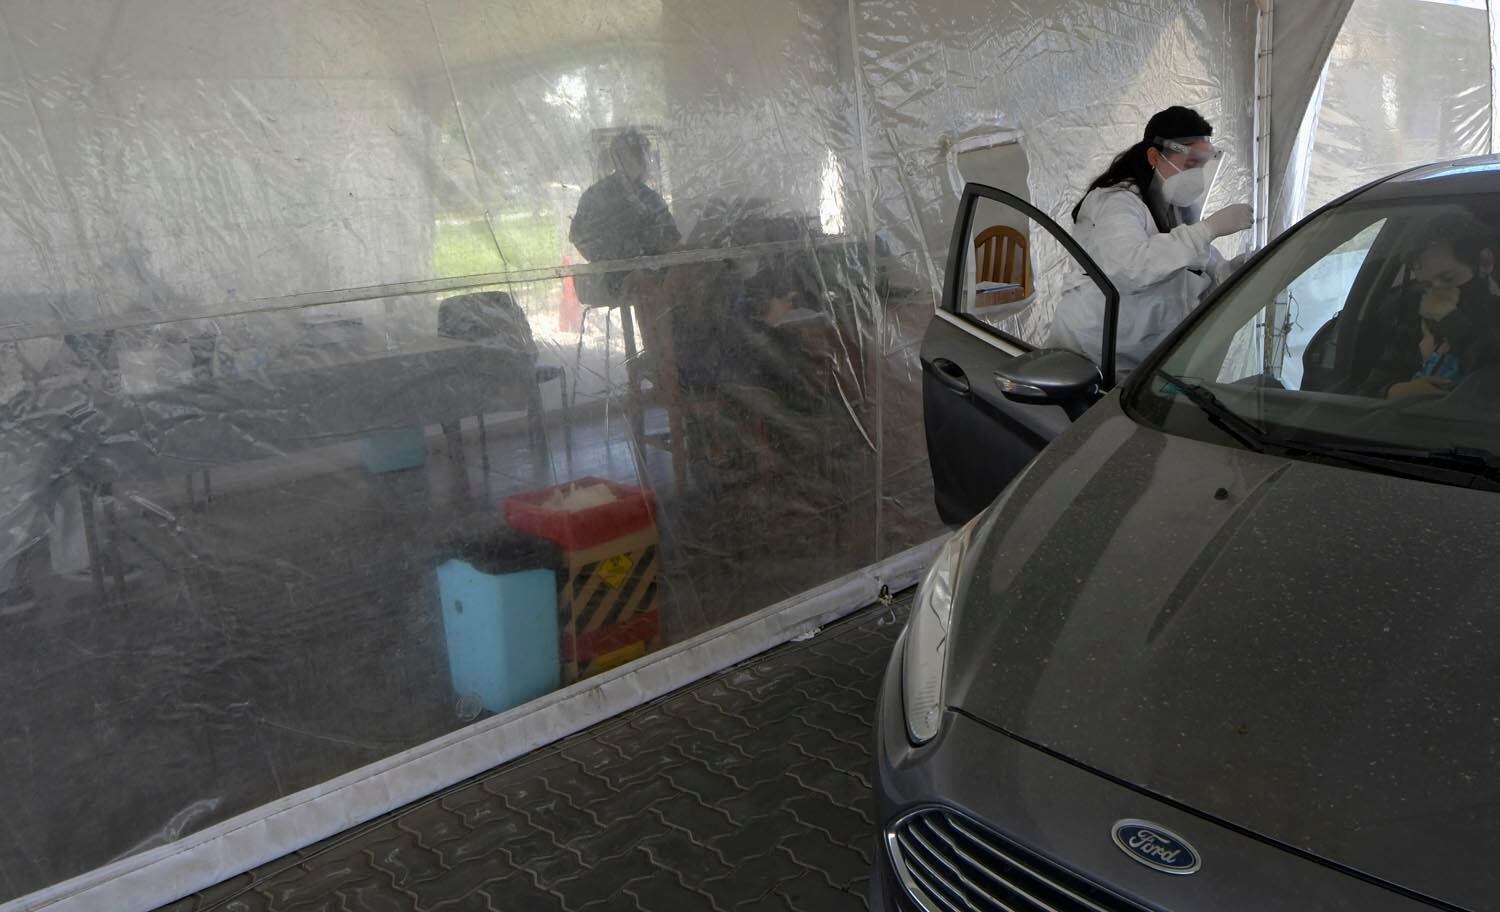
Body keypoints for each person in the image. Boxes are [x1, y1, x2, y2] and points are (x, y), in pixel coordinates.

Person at [1049, 106, 1254, 377]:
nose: (1197, 174)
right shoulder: (1117, 202)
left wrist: (1222, 270)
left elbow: (1182, 254)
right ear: (1154, 156)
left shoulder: (1171, 203)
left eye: (1202, 165)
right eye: (1191, 163)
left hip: (1142, 358)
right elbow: (1131, 265)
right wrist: (1209, 229)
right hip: (1093, 357)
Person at [568, 130, 680, 307]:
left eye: (644, 156)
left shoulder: (649, 198)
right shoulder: (596, 197)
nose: (645, 163)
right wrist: (614, 259)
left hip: (651, 284)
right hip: (615, 283)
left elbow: (671, 238)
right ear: (619, 158)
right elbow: (579, 236)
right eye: (639, 156)